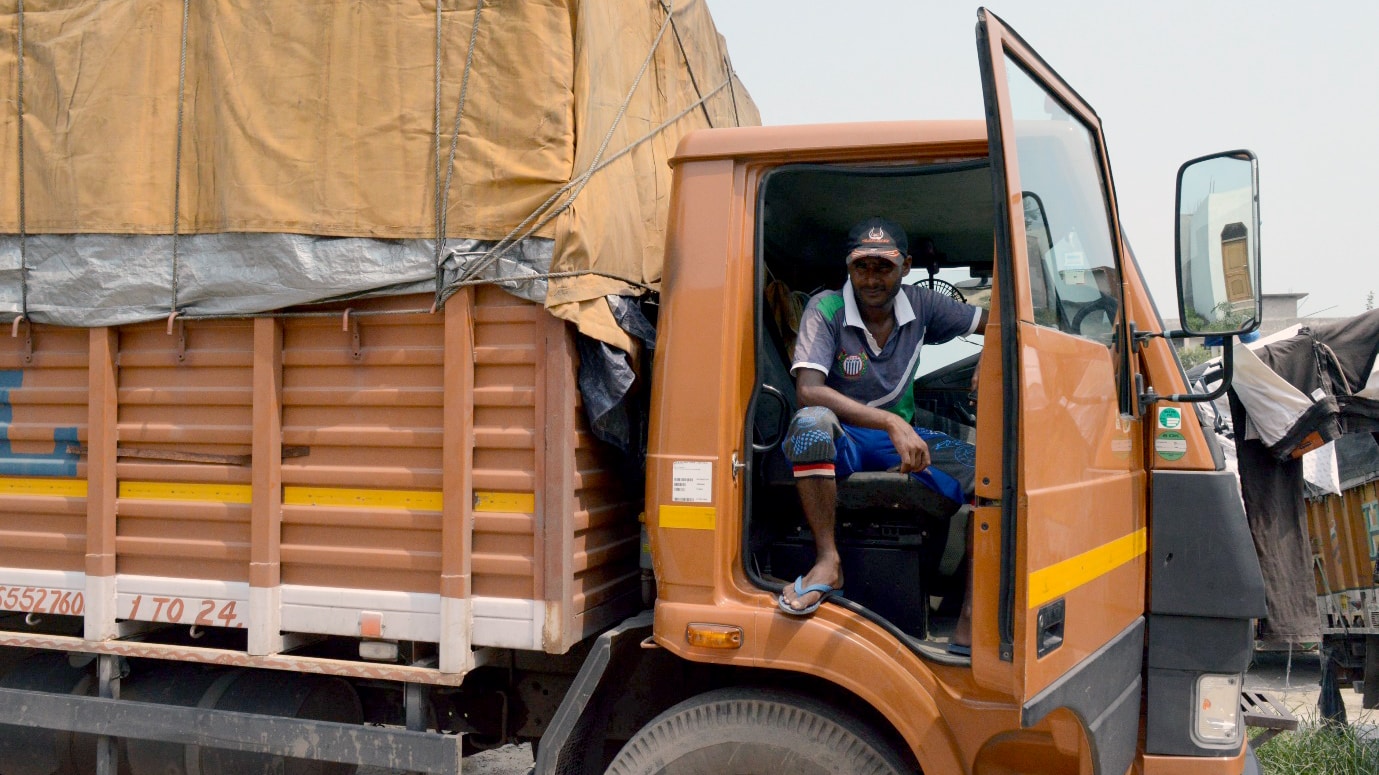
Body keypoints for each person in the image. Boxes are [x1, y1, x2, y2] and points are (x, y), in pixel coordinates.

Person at [777, 216, 988, 632]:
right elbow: (809, 390)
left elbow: (998, 320)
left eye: (884, 267)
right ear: (849, 267)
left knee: (991, 475)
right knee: (810, 424)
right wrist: (891, 421)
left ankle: (968, 611)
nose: (871, 279)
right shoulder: (827, 308)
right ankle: (827, 561)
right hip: (846, 438)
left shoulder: (923, 304)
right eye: (862, 267)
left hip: (898, 437)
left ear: (905, 267)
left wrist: (989, 354)